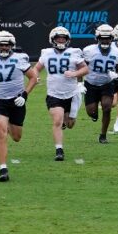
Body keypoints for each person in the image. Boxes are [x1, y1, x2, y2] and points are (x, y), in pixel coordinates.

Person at [0, 31, 37, 182]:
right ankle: (3, 169)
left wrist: (24, 94)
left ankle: (9, 122)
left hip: (17, 101)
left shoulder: (20, 59)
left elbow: (33, 78)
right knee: (1, 132)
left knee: (16, 137)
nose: (4, 47)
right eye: (1, 45)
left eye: (7, 45)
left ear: (12, 46)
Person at [34, 27, 87, 161]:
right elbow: (36, 68)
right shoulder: (46, 53)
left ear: (68, 40)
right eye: (58, 38)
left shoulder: (74, 52)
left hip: (72, 93)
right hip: (54, 93)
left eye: (63, 38)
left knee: (70, 124)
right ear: (53, 39)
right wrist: (35, 76)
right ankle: (59, 150)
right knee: (57, 120)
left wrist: (74, 73)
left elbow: (85, 69)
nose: (61, 40)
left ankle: (67, 118)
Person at [82, 24, 118, 144]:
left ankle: (103, 135)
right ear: (98, 38)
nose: (105, 40)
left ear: (112, 38)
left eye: (107, 38)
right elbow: (81, 67)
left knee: (107, 108)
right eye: (103, 38)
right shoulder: (89, 50)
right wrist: (79, 83)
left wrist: (116, 75)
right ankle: (94, 116)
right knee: (91, 112)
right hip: (90, 83)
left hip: (107, 84)